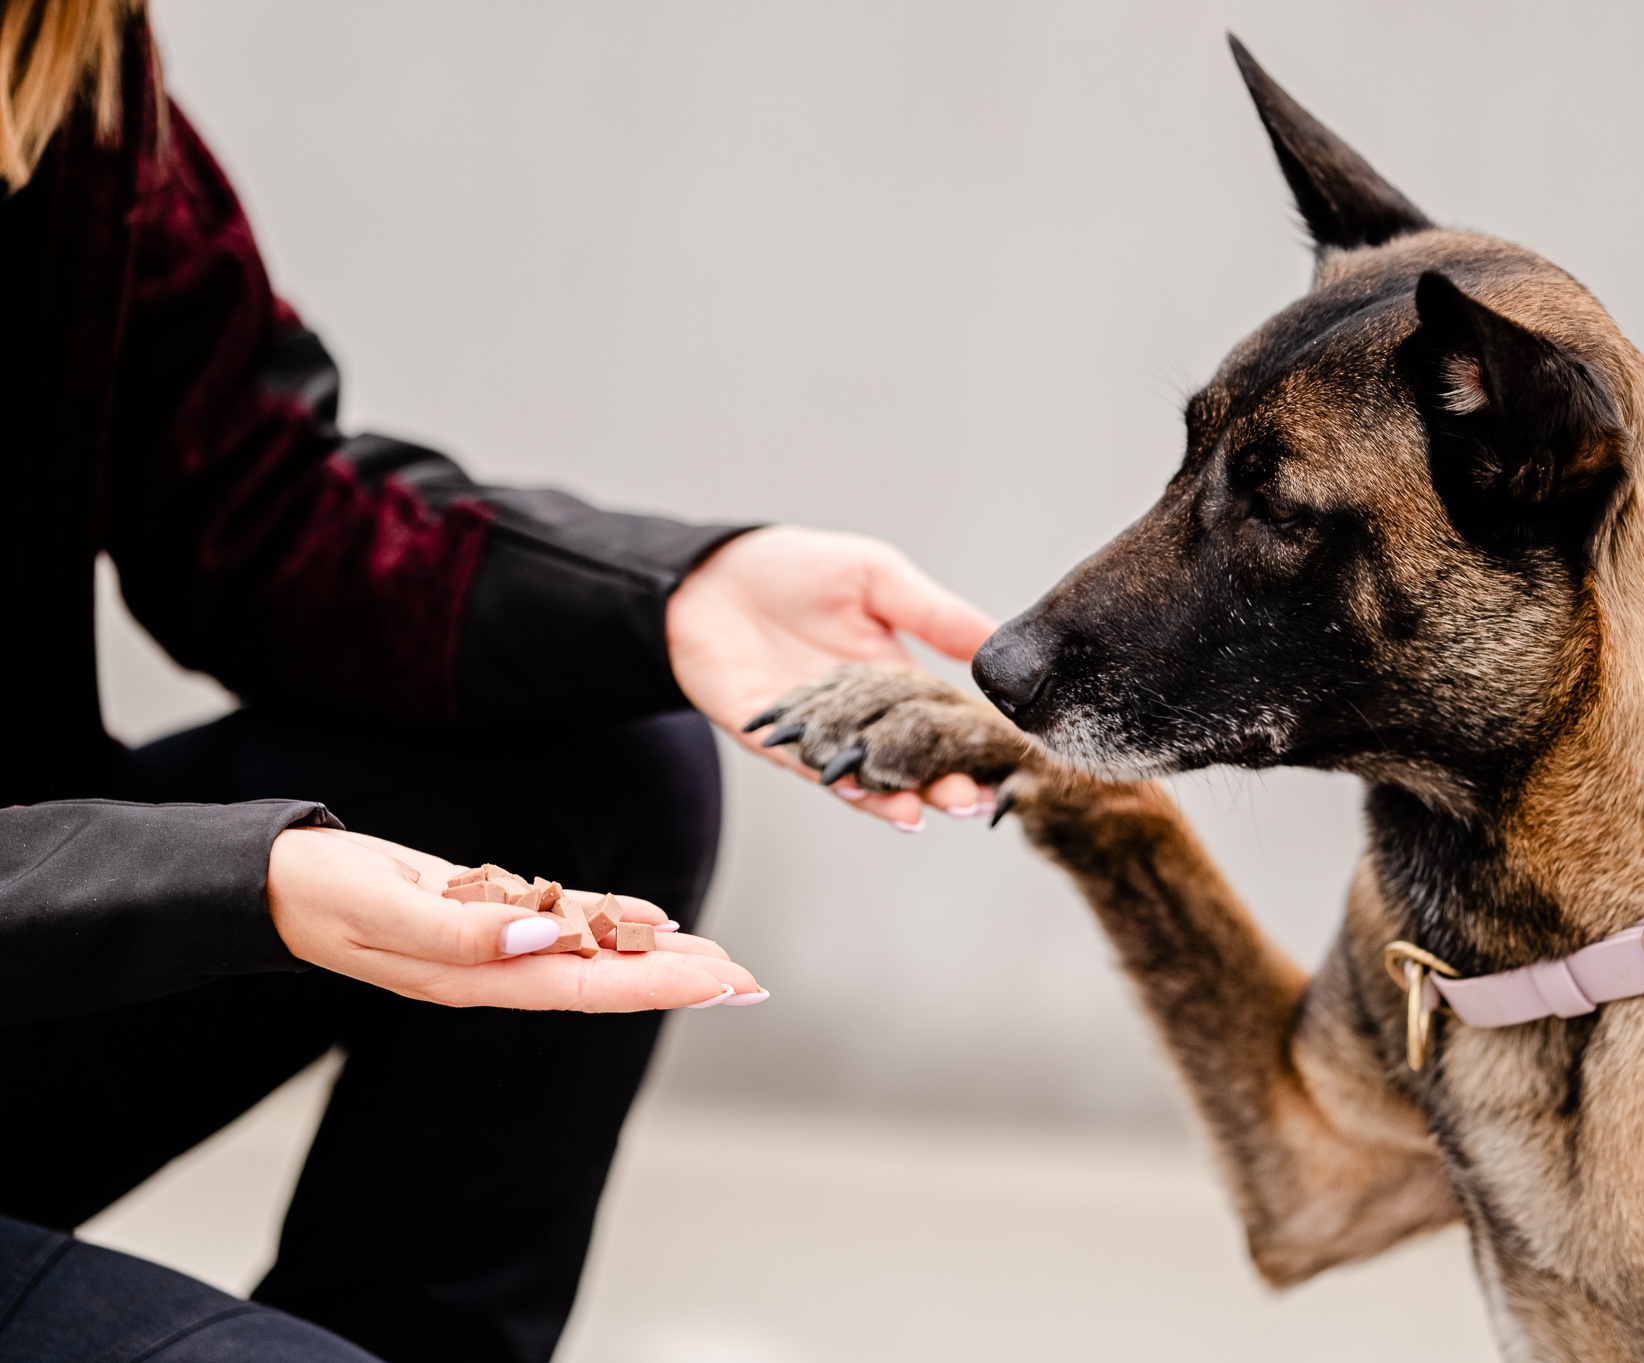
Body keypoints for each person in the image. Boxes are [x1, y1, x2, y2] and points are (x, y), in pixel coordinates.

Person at [0, 3, 994, 1361]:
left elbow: (247, 492)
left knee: (599, 759)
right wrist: (245, 882)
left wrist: (663, 591)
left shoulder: (54, 60)